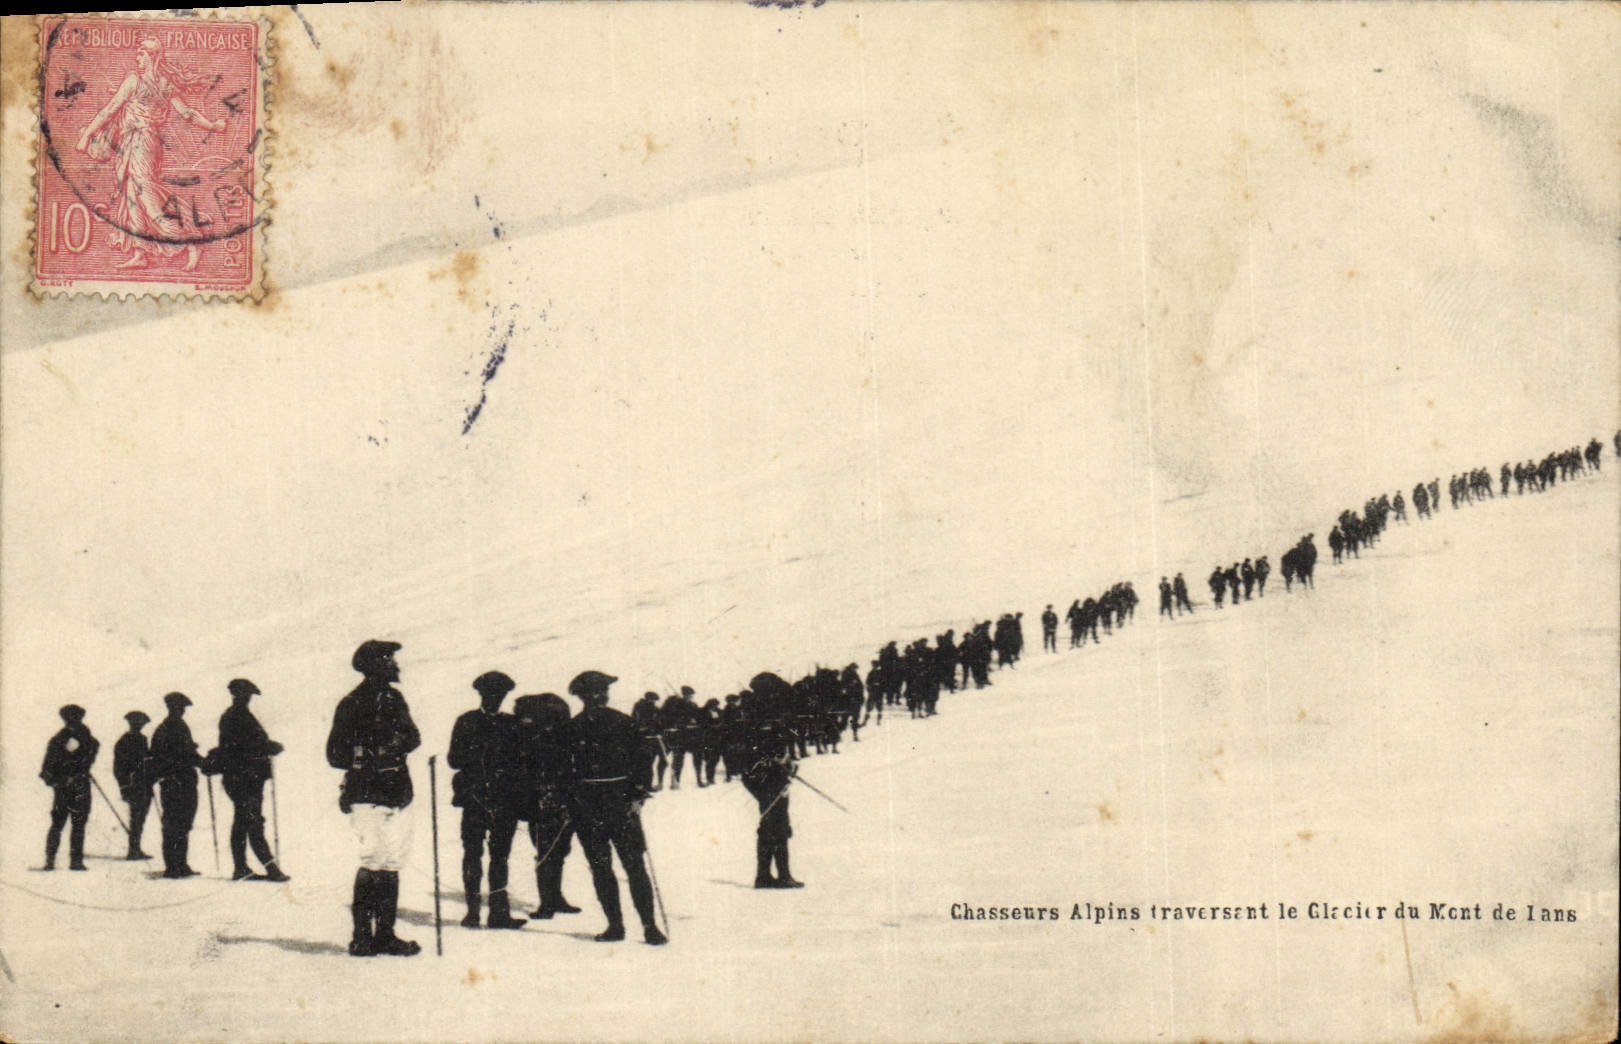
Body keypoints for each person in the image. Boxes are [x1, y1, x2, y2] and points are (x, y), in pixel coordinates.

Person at [72, 37, 226, 271]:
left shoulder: (137, 81)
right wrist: (212, 125)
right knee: (132, 196)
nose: (138, 58)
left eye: (142, 54)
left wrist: (86, 135)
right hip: (136, 144)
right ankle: (140, 253)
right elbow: (187, 113)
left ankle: (191, 240)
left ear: (153, 57)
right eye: (138, 53)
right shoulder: (160, 84)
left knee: (148, 199)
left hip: (143, 144)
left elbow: (110, 110)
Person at [327, 639, 422, 957]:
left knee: (391, 862)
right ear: (373, 666)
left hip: (398, 792)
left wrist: (398, 742)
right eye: (388, 659)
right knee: (372, 861)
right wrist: (366, 753)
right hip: (367, 792)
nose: (395, 664)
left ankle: (385, 934)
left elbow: (414, 737)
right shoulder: (351, 703)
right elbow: (334, 754)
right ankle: (361, 937)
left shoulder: (395, 698)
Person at [563, 670, 666, 946]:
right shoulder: (572, 728)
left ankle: (649, 926)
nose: (598, 697)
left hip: (621, 804)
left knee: (635, 866)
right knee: (600, 868)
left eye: (602, 692)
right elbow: (562, 770)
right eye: (591, 694)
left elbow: (643, 759)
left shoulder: (624, 722)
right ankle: (615, 925)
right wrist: (571, 802)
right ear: (582, 697)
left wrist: (638, 794)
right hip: (587, 808)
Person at [448, 671, 527, 930]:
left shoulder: (513, 724)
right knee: (472, 853)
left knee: (500, 856)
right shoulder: (466, 722)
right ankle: (472, 912)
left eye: (500, 695)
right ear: (481, 695)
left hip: (506, 800)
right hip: (475, 799)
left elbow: (523, 761)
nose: (495, 699)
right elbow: (453, 760)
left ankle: (498, 913)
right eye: (491, 694)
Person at [512, 693, 581, 920]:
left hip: (561, 800)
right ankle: (546, 902)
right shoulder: (531, 739)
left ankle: (555, 898)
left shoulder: (559, 737)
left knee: (559, 850)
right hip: (541, 802)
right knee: (546, 851)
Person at [214, 679, 288, 882]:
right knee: (252, 821)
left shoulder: (237, 715)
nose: (247, 698)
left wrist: (267, 746)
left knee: (242, 821)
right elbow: (241, 747)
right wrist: (268, 747)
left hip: (246, 778)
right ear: (236, 695)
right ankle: (270, 868)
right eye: (244, 694)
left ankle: (241, 868)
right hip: (243, 778)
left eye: (248, 695)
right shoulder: (235, 717)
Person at [741, 674, 804, 889]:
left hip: (769, 775)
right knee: (776, 822)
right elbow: (756, 748)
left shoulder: (760, 711)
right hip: (765, 776)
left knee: (772, 821)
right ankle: (780, 876)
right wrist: (777, 761)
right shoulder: (758, 714)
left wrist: (786, 762)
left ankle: (765, 876)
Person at [40, 704, 99, 871]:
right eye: (71, 719)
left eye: (75, 719)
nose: (73, 722)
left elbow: (91, 754)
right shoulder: (59, 740)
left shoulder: (85, 738)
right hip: (66, 787)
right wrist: (58, 781)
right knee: (60, 823)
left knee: (77, 824)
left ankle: (74, 861)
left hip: (78, 785)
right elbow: (46, 769)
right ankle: (52, 860)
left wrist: (77, 770)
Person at [150, 692, 202, 878]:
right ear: (170, 708)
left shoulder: (179, 726)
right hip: (174, 782)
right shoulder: (165, 729)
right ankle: (172, 867)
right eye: (179, 708)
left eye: (182, 708)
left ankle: (181, 864)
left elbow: (188, 753)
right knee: (173, 824)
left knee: (184, 823)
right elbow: (158, 756)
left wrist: (201, 761)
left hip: (185, 781)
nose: (181, 711)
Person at [113, 710, 154, 860]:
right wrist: (124, 787)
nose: (139, 726)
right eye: (137, 724)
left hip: (145, 784)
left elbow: (147, 760)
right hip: (133, 784)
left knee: (140, 818)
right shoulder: (124, 741)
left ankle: (135, 848)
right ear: (131, 724)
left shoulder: (143, 739)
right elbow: (119, 767)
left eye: (141, 724)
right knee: (136, 818)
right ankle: (133, 850)